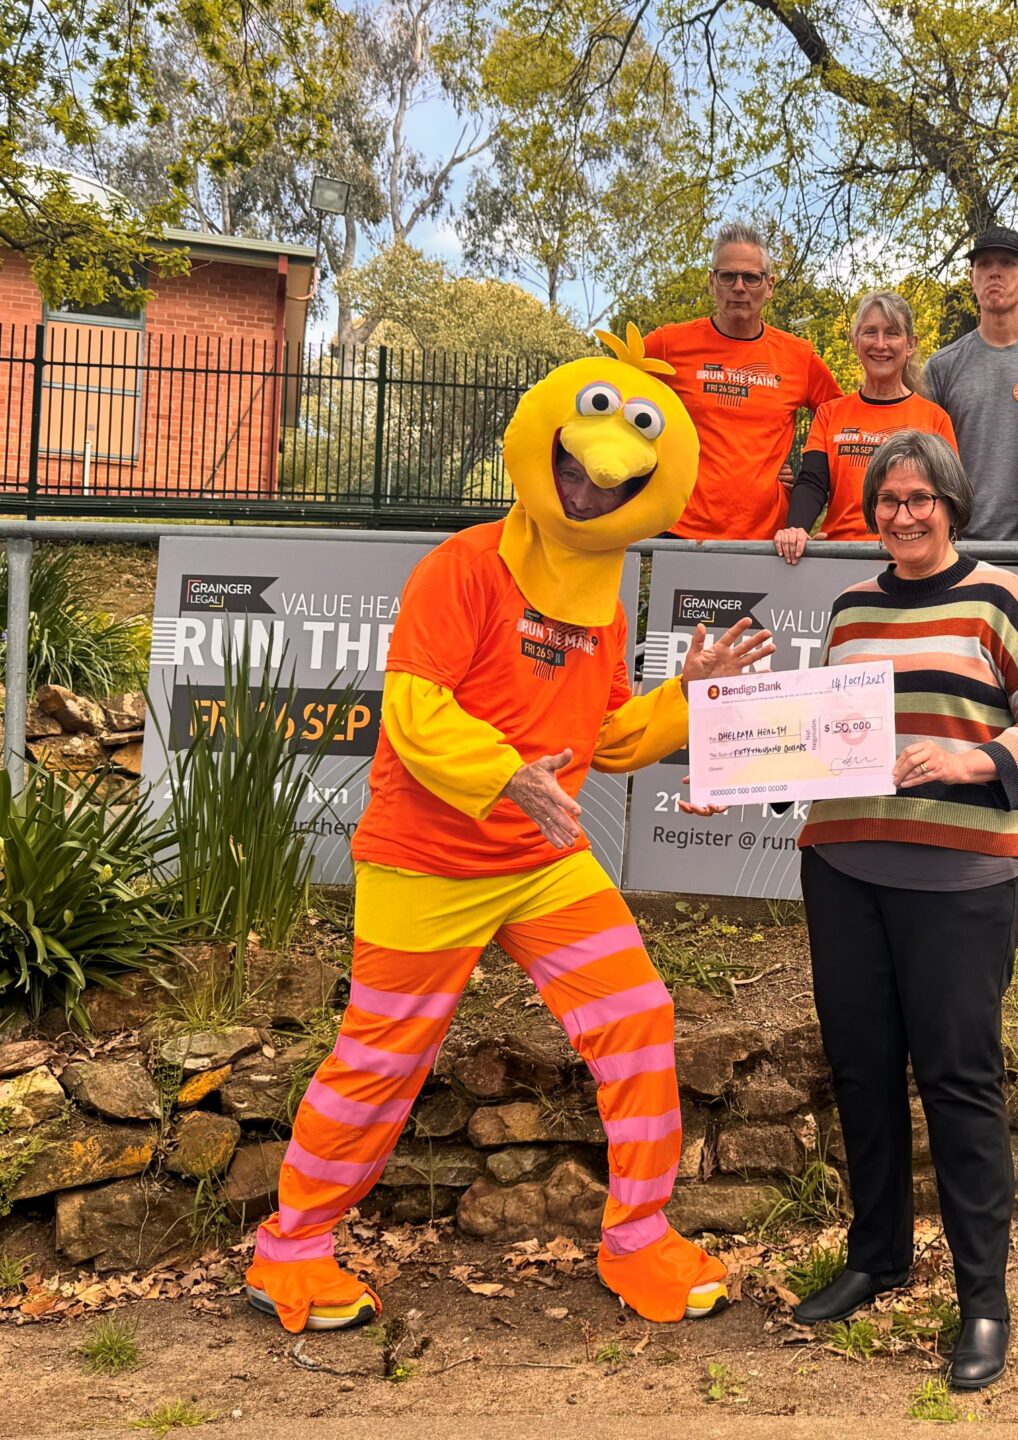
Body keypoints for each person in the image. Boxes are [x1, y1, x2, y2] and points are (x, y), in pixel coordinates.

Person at [244, 327, 773, 1335]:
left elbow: (608, 738)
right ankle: (292, 1248)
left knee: (638, 1016)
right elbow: (414, 708)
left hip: (542, 864)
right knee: (382, 1055)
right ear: (546, 445)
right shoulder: (464, 566)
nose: (594, 477)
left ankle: (637, 1238)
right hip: (427, 857)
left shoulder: (605, 606)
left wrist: (687, 698)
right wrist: (506, 776)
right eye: (579, 456)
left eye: (621, 469)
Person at [788, 430, 1018, 1391]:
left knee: (958, 1083)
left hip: (961, 879)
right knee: (861, 1071)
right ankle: (878, 1257)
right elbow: (818, 742)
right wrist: (736, 775)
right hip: (844, 869)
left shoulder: (997, 596)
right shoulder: (849, 607)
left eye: (919, 498)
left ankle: (982, 1301)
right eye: (886, 502)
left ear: (951, 502)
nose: (903, 516)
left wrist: (974, 760)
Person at [643, 222, 843, 540]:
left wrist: (807, 479)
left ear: (769, 286)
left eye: (751, 277)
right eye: (727, 276)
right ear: (712, 282)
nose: (739, 287)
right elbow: (613, 397)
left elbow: (842, 422)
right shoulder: (667, 345)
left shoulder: (798, 356)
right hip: (681, 533)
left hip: (767, 538)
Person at [774, 290, 958, 562]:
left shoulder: (934, 418)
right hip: (841, 557)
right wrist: (796, 529)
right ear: (855, 340)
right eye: (870, 332)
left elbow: (949, 499)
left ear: (910, 344)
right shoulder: (830, 414)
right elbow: (813, 483)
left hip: (908, 560)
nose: (880, 344)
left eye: (892, 333)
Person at [923, 226, 1018, 541]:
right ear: (971, 277)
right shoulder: (942, 367)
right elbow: (924, 462)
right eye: (984, 265)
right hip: (962, 546)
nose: (994, 273)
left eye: (1007, 263)